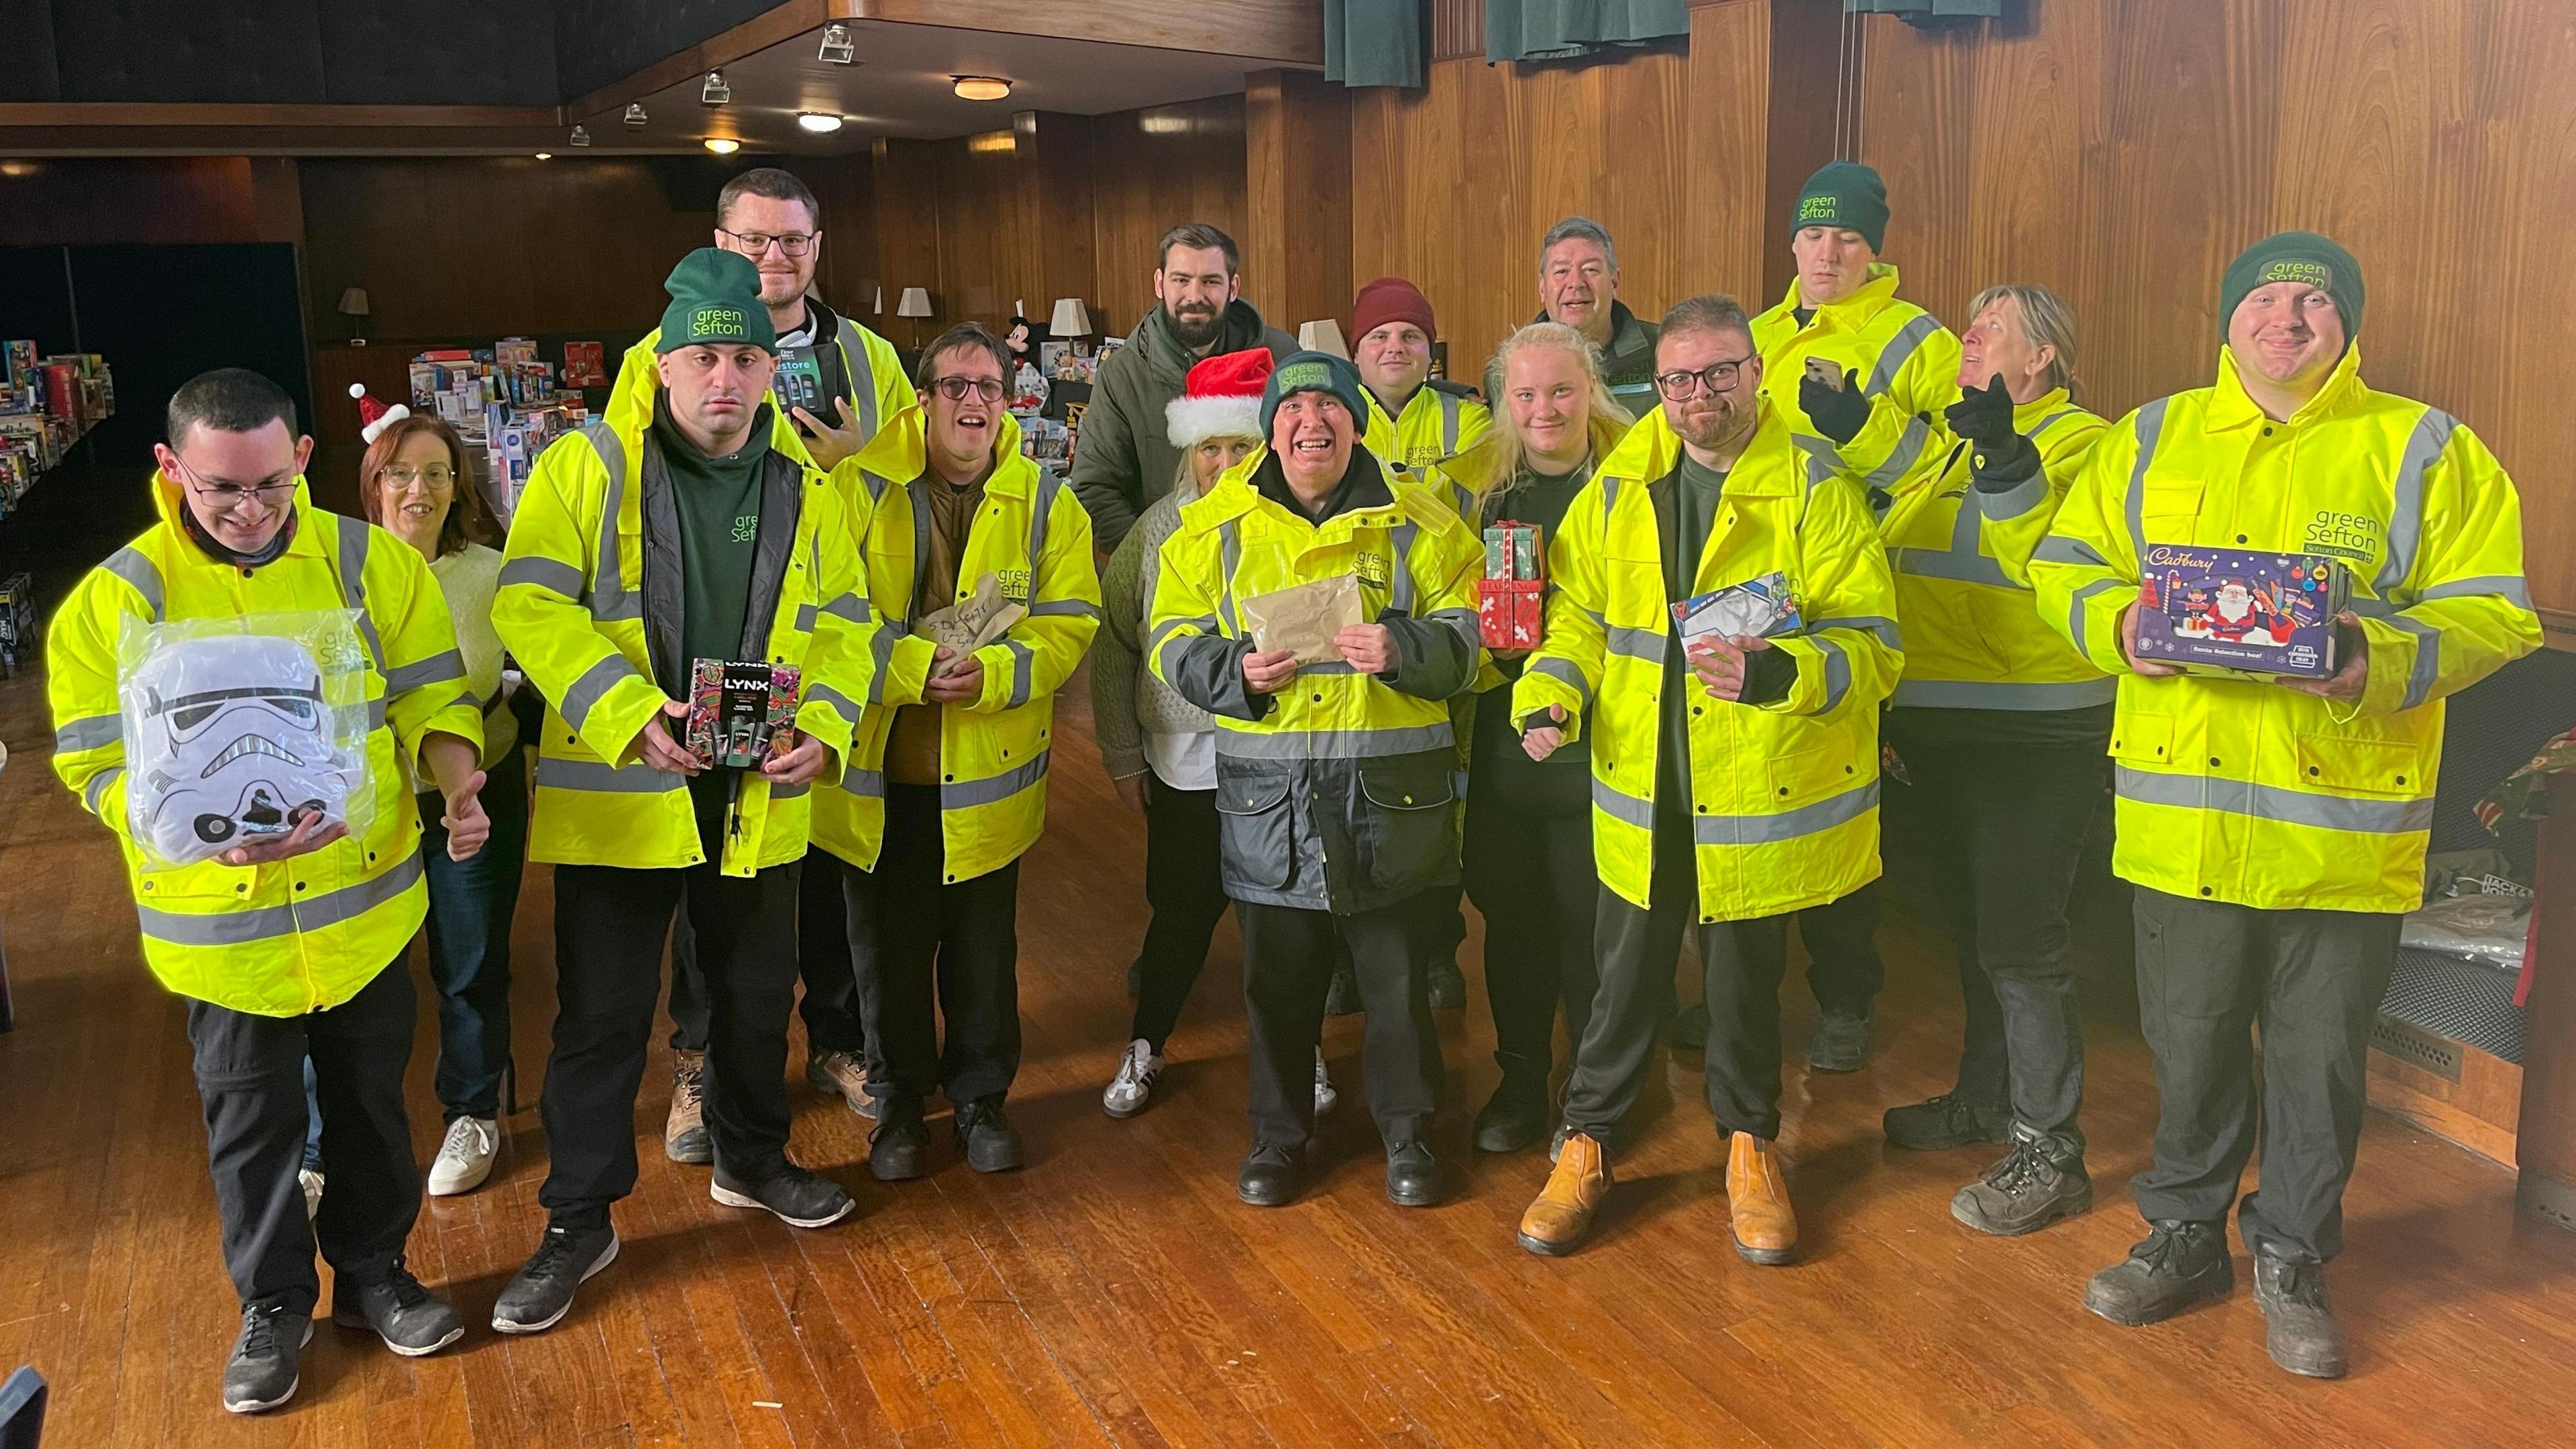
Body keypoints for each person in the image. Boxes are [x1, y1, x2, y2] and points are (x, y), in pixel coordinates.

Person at [2031, 232, 2540, 1378]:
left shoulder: (2424, 448)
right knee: (2192, 1042)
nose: (2288, 316)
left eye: (2315, 300)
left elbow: (2498, 612)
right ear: (2229, 319)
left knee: (2319, 1064)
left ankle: (2294, 1256)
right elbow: (2064, 565)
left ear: (2346, 325)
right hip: (2185, 826)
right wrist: (2115, 625)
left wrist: (2370, 651)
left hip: (2340, 837)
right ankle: (2181, 1233)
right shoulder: (2149, 436)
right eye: (2266, 296)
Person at [49, 368, 489, 1411]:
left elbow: (434, 695)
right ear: (170, 470)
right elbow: (90, 760)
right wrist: (172, 829)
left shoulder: (370, 564)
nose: (250, 513)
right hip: (221, 931)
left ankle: (375, 1277)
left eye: (270, 487)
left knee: (372, 1111)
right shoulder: (115, 599)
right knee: (252, 1131)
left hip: (367, 906)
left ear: (300, 459)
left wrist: (460, 782)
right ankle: (273, 1307)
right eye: (219, 492)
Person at [489, 249, 873, 1334]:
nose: (726, 378)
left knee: (757, 999)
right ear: (663, 365)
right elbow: (529, 605)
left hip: (759, 790)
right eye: (704, 355)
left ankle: (752, 1162)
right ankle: (580, 1221)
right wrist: (625, 712)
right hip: (627, 792)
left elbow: (850, 627)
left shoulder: (807, 482)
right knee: (602, 1018)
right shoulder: (588, 466)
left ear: (771, 370)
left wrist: (828, 730)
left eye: (746, 357)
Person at [1509, 297, 1901, 1261]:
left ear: (1756, 371)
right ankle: (1587, 1145)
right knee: (1623, 979)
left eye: (1719, 372)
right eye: (1680, 377)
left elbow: (1876, 645)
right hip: (1642, 786)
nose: (1697, 394)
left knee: (1743, 987)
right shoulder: (1620, 485)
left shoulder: (1817, 487)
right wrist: (1551, 693)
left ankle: (1750, 1146)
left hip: (1756, 789)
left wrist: (1780, 672)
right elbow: (1581, 622)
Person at [606, 166, 919, 1152]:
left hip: (826, 650)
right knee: (719, 876)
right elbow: (636, 478)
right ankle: (700, 1066)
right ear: (721, 242)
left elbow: (910, 473)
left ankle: (837, 1037)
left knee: (826, 867)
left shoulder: (868, 356)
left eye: (792, 240)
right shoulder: (652, 354)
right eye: (755, 240)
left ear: (817, 249)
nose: (774, 257)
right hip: (705, 667)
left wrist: (855, 461)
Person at [1801, 284, 2111, 1235]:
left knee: (2022, 943)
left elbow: (2045, 557)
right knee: (1976, 933)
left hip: (2035, 728)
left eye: (1991, 329)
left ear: (2045, 358)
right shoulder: (1951, 440)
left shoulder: (2085, 443)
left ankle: (2052, 1150)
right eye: (1969, 329)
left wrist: (2006, 454)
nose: (1966, 340)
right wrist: (1855, 422)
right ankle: (1985, 1100)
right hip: (1944, 724)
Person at [1149, 350, 1483, 1209]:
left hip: (1391, 801)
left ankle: (1409, 1137)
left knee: (1398, 985)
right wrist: (1235, 672)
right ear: (1271, 430)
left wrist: (1407, 648)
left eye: (1328, 408)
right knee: (1277, 988)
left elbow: (1477, 635)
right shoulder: (1213, 529)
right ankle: (1279, 1139)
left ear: (1356, 424)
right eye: (1292, 409)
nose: (1311, 422)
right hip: (1271, 803)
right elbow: (1169, 641)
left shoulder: (1425, 523)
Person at [812, 322, 1100, 1180]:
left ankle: (981, 1101)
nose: (972, 403)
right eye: (955, 387)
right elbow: (824, 616)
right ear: (923, 397)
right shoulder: (855, 491)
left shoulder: (1048, 500)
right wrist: (907, 669)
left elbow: (1072, 618)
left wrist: (998, 674)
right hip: (881, 775)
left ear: (1007, 402)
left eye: (989, 388)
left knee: (984, 953)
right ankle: (899, 1107)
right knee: (887, 956)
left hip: (985, 780)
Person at [1697, 159, 1962, 1073]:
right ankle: (1743, 1002)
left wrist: (1862, 429)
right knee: (1745, 796)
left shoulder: (1920, 341)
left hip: (1849, 597)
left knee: (1838, 802)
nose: (1826, 251)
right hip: (1746, 604)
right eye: (1812, 233)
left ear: (1876, 245)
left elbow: (1954, 475)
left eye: (1846, 235)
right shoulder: (1757, 334)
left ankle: (1847, 997)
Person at [1090, 347, 1342, 1120]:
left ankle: (1305, 1054)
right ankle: (1147, 1042)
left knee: (1291, 914)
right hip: (1185, 759)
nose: (1225, 463)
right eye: (1210, 448)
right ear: (1188, 451)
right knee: (1182, 906)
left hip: (1278, 751)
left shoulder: (1293, 522)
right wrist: (1123, 756)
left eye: (1240, 446)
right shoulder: (1157, 533)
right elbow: (1114, 646)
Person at [1456, 321, 1634, 1152]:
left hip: (1608, 744)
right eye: (1524, 394)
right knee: (1514, 918)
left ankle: (1596, 1099)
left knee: (1591, 924)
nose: (1544, 409)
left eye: (1560, 390)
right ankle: (1523, 1076)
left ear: (1591, 388)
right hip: (1504, 738)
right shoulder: (1482, 493)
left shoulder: (1636, 479)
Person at [356, 414, 532, 1197]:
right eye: (399, 473)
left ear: (459, 484)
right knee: (368, 973)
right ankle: (341, 1140)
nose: (416, 490)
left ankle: (473, 1111)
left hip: (477, 799)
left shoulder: (495, 575)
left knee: (470, 963)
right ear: (373, 484)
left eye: (435, 473)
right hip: (370, 813)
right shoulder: (342, 576)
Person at [1352, 275, 1492, 1013]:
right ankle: (1353, 959)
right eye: (1379, 336)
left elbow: (1484, 508)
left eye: (1410, 335)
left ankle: (1440, 949)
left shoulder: (1469, 421)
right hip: (1358, 637)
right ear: (1357, 351)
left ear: (1431, 351)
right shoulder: (1337, 415)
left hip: (1443, 625)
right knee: (1350, 801)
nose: (1395, 347)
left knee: (1445, 802)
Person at [1069, 221, 1299, 552]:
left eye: (1210, 281)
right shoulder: (1122, 375)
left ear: (1233, 288)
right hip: (1163, 570)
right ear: (1160, 284)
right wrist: (1154, 562)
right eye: (1181, 280)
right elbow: (1096, 488)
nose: (1195, 296)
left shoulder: (1283, 357)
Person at [1484, 217, 1662, 420]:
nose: (1576, 283)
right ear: (1542, 288)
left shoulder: (1662, 351)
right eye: (1561, 271)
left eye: (1591, 270)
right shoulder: (1507, 369)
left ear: (1614, 282)